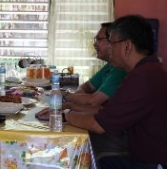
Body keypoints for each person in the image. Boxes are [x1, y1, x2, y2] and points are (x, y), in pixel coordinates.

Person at [65, 15, 167, 169]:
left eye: (112, 44)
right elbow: (105, 111)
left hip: (150, 163)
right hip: (143, 154)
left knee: (83, 159)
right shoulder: (148, 69)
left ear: (127, 46)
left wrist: (64, 115)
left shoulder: (141, 77)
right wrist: (67, 107)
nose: (110, 49)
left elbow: (98, 124)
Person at [37, 23, 129, 161]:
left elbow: (95, 108)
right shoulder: (111, 66)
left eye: (99, 39)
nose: (94, 44)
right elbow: (89, 91)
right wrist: (70, 105)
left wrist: (65, 108)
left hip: (119, 148)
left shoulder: (123, 71)